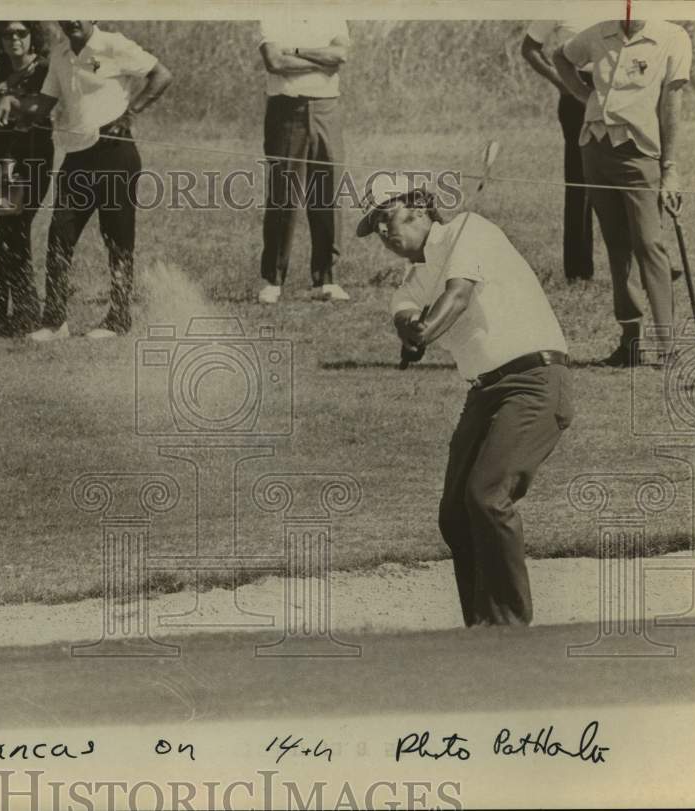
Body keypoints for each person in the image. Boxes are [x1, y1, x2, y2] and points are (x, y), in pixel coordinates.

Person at [356, 177, 574, 626]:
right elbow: (406, 316)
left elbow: (456, 297)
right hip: (485, 394)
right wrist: (413, 332)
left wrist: (424, 329)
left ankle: (508, 628)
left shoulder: (471, 229)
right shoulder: (411, 280)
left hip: (534, 380)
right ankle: (480, 626)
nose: (381, 233)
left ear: (418, 209)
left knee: (488, 495)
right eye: (374, 226)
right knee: (455, 513)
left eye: (386, 218)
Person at [0, 20, 173, 341]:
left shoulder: (114, 44)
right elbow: (46, 102)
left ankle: (118, 319)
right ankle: (55, 322)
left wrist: (129, 113)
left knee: (117, 239)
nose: (72, 19)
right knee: (60, 235)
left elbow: (161, 75)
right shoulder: (61, 55)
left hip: (116, 154)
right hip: (76, 157)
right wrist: (16, 105)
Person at [554, 19, 691, 366]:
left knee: (649, 245)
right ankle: (630, 343)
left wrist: (670, 168)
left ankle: (667, 346)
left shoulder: (672, 37)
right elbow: (561, 57)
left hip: (640, 153)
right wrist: (585, 98)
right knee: (617, 245)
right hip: (594, 148)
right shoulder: (599, 31)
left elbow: (671, 105)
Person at [256, 17, 350, 305]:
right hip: (286, 109)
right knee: (284, 195)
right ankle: (273, 280)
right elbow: (275, 62)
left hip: (326, 109)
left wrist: (294, 52)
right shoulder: (272, 15)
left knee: (326, 193)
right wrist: (317, 58)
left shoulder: (332, 13)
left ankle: (326, 279)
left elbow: (338, 56)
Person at [0, 21, 55, 336]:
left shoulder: (43, 70)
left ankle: (8, 309)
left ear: (33, 36)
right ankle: (9, 311)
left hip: (32, 159)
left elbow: (44, 107)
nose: (15, 39)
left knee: (15, 229)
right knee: (10, 230)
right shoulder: (0, 70)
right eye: (8, 34)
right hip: (1, 160)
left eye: (21, 32)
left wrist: (14, 103)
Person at [521, 19, 601, 282]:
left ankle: (644, 268)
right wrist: (563, 84)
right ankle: (578, 271)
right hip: (577, 87)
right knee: (580, 182)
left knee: (631, 175)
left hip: (618, 87)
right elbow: (529, 48)